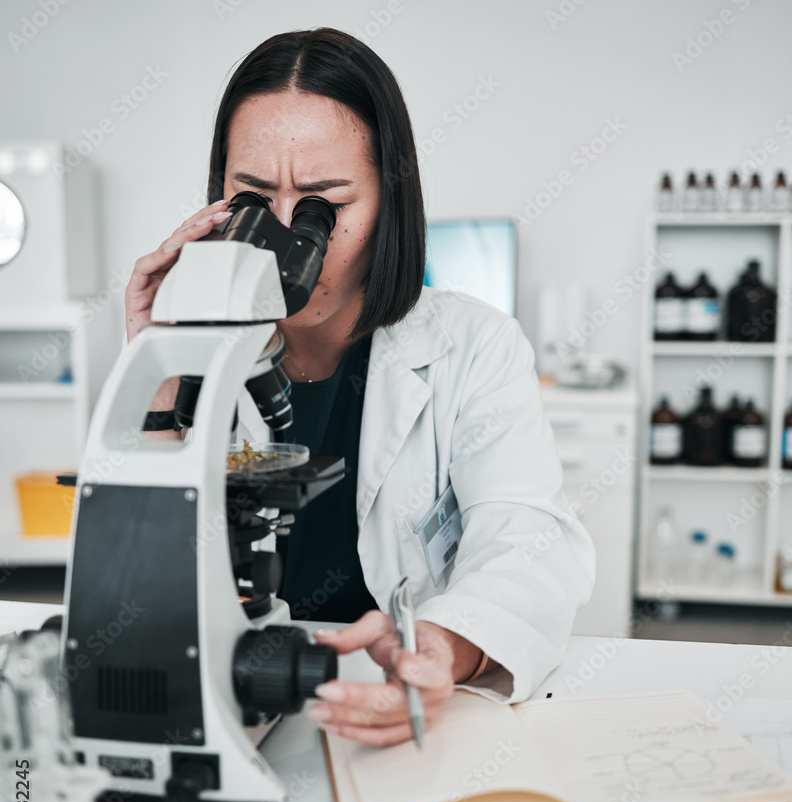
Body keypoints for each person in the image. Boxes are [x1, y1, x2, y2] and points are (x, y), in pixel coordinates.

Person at [123, 27, 595, 747]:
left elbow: (527, 542)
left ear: (388, 203)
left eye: (322, 207)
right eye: (253, 199)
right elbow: (137, 583)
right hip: (234, 701)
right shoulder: (193, 349)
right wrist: (157, 374)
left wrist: (441, 647)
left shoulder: (473, 346)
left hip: (394, 709)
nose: (285, 238)